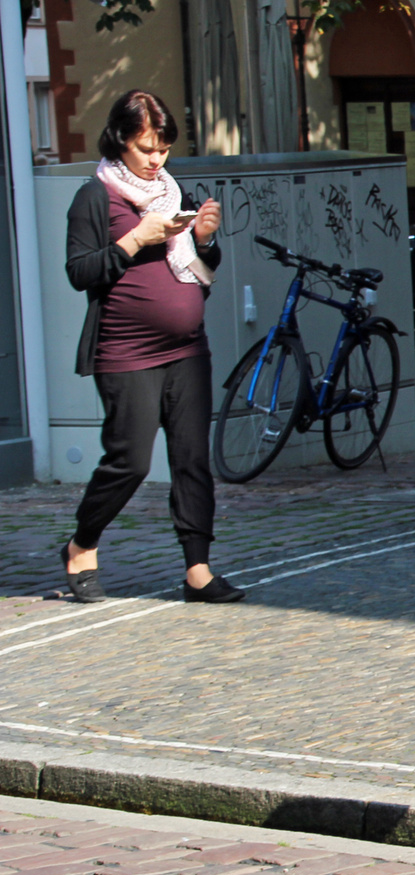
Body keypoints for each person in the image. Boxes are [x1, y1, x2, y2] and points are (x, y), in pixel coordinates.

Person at [60, 89, 244, 605]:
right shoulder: (95, 198)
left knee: (191, 460)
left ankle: (198, 571)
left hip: (187, 348)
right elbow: (80, 272)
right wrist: (137, 238)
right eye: (147, 148)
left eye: (163, 148)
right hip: (125, 353)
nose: (157, 159)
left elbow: (198, 266)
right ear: (121, 140)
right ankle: (82, 544)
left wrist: (204, 238)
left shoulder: (169, 191)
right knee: (130, 462)